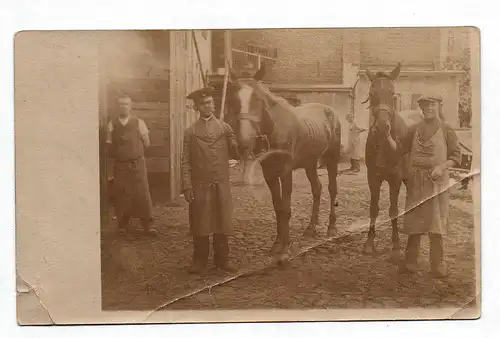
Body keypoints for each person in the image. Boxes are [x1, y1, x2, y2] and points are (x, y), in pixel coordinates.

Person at [386, 94, 461, 278]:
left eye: (432, 104)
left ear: (439, 106)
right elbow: (399, 149)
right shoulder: (413, 129)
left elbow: (456, 156)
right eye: (425, 105)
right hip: (416, 182)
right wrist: (387, 136)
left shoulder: (446, 129)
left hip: (437, 183)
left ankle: (437, 264)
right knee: (414, 222)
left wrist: (442, 167)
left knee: (436, 223)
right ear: (421, 108)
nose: (428, 108)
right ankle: (410, 262)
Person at [181, 87, 240, 274]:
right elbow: (185, 161)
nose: (208, 106)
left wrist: (236, 145)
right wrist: (187, 186)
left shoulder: (225, 128)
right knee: (200, 223)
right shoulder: (190, 132)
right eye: (204, 104)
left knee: (222, 222)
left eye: (210, 103)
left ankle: (222, 260)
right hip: (200, 185)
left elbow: (237, 152)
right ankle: (199, 261)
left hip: (221, 184)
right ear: (197, 107)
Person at [106, 93, 157, 237]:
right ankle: (122, 225)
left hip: (137, 164)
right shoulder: (112, 124)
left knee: (142, 194)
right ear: (117, 106)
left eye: (126, 104)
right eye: (121, 104)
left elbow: (146, 142)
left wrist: (134, 153)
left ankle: (147, 225)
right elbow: (109, 144)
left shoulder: (138, 122)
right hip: (120, 165)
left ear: (130, 106)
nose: (123, 106)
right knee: (122, 194)